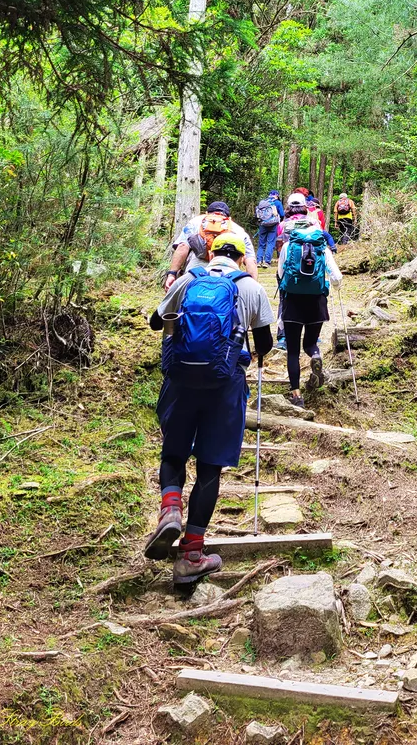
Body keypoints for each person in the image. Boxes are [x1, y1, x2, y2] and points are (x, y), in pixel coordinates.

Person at [145, 231, 273, 584]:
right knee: (210, 467)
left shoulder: (188, 279)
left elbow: (157, 322)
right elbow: (264, 344)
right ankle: (191, 555)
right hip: (224, 386)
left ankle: (170, 509)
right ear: (240, 258)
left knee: (173, 454)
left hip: (180, 383)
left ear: (211, 253)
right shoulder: (250, 288)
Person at [277, 195, 342, 408]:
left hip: (293, 302)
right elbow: (336, 277)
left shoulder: (289, 246)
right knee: (310, 342)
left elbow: (280, 273)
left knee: (293, 350)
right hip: (316, 301)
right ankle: (315, 355)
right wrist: (335, 286)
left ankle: (296, 395)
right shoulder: (321, 244)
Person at [275, 194, 337, 352]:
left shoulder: (283, 224)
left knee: (285, 299)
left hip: (289, 267)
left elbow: (279, 245)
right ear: (304, 206)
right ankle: (313, 335)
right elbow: (320, 241)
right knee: (314, 295)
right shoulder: (314, 222)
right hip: (312, 267)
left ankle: (283, 337)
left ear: (288, 206)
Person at [165, 201, 258, 288]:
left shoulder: (195, 222)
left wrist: (172, 274)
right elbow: (250, 260)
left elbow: (182, 246)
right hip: (228, 269)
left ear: (207, 213)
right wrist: (253, 286)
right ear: (228, 217)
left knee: (190, 294)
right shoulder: (238, 229)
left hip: (197, 267)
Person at [255, 191, 283, 268]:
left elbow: (257, 215)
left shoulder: (263, 202)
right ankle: (267, 262)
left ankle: (258, 261)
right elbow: (282, 214)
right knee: (270, 243)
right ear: (277, 196)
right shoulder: (277, 203)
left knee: (261, 244)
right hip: (273, 225)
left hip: (263, 225)